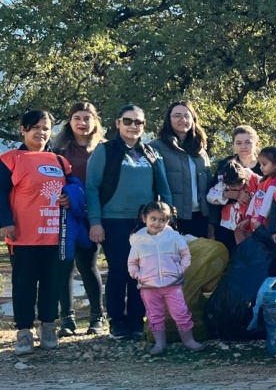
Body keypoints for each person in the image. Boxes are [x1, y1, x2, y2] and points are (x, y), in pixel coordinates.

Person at [86, 105, 173, 339]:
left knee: (143, 271)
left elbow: (164, 190)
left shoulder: (152, 153)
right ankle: (117, 321)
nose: (133, 126)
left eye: (139, 122)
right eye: (128, 121)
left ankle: (136, 320)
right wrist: (95, 222)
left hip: (145, 223)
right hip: (112, 220)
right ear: (117, 123)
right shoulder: (105, 151)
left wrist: (167, 221)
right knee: (119, 270)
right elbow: (92, 188)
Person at [1, 110, 76, 354]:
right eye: (35, 127)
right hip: (23, 236)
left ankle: (48, 325)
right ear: (23, 129)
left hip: (55, 235)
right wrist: (5, 221)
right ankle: (23, 331)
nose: (41, 132)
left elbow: (75, 189)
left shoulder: (60, 161)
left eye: (46, 128)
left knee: (51, 283)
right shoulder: (10, 159)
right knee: (24, 284)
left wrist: (69, 198)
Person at [51, 102, 107, 336]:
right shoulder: (58, 149)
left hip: (93, 213)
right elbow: (51, 179)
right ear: (69, 121)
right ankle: (68, 319)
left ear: (95, 121)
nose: (82, 123)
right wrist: (62, 197)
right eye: (77, 118)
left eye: (87, 118)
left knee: (88, 264)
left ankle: (97, 316)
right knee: (64, 265)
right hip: (66, 214)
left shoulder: (103, 149)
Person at [127, 201, 204, 355]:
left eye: (162, 220)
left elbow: (185, 255)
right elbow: (132, 263)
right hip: (148, 288)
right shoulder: (138, 241)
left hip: (172, 285)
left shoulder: (174, 237)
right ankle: (160, 344)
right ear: (145, 218)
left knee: (181, 312)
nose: (157, 223)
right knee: (154, 315)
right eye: (153, 219)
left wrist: (179, 270)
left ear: (168, 220)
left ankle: (189, 341)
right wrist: (139, 276)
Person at [151, 101, 211, 238]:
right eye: (177, 116)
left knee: (198, 258)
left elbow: (208, 186)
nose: (182, 120)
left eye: (186, 116)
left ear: (193, 119)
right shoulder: (156, 147)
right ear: (169, 119)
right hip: (171, 217)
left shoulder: (200, 149)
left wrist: (212, 220)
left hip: (200, 216)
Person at [205, 159, 260, 253]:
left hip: (249, 224)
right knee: (229, 252)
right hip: (229, 225)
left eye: (240, 185)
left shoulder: (255, 179)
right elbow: (210, 196)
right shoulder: (222, 183)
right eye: (233, 187)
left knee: (248, 252)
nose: (238, 188)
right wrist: (226, 195)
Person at [249, 146, 276, 229]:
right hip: (256, 222)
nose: (261, 167)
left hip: (266, 225)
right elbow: (255, 199)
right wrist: (248, 217)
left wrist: (260, 219)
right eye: (260, 164)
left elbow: (268, 200)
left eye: (264, 164)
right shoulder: (264, 180)